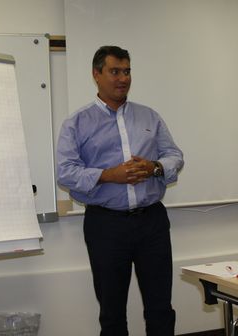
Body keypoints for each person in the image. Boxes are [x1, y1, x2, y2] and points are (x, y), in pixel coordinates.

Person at [56, 45, 184, 336]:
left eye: (127, 71)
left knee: (161, 308)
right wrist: (108, 175)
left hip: (152, 222)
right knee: (112, 313)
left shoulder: (149, 117)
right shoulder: (76, 123)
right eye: (115, 71)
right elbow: (66, 172)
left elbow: (174, 155)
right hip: (106, 225)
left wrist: (154, 167)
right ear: (96, 74)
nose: (123, 78)